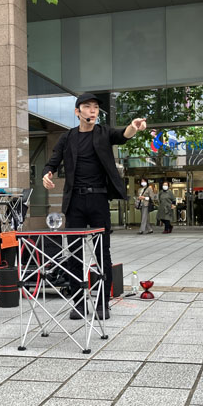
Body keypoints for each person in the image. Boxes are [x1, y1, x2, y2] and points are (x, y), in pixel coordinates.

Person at [42, 93, 147, 320]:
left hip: (99, 199)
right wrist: (46, 174)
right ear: (77, 111)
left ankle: (102, 303)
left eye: (96, 108)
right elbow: (52, 161)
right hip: (75, 202)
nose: (93, 110)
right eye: (88, 107)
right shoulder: (67, 137)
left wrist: (133, 127)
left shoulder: (103, 133)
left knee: (102, 254)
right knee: (74, 255)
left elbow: (122, 135)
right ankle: (79, 304)